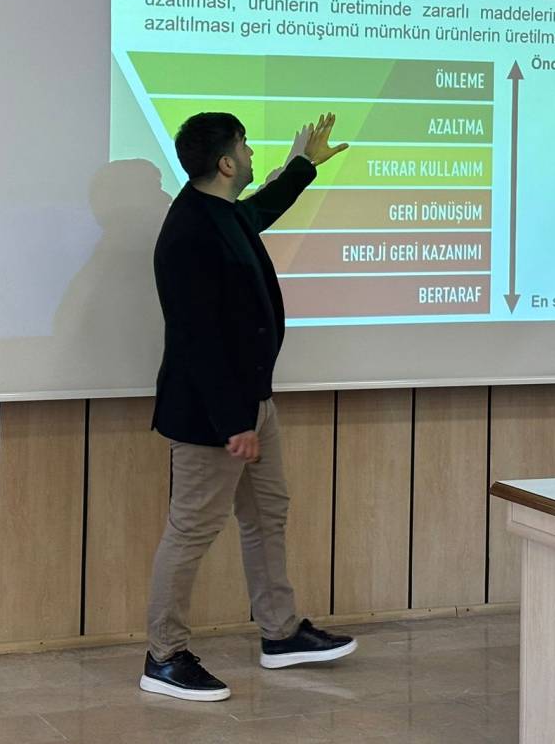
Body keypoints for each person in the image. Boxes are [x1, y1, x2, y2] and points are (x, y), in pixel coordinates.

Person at [140, 111, 355, 702]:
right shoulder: (188, 233)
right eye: (246, 146)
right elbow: (197, 340)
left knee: (267, 514)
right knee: (191, 530)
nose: (253, 152)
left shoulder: (223, 211)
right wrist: (234, 422)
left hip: (251, 404)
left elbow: (261, 210)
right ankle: (163, 656)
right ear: (226, 162)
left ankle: (280, 634)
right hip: (214, 417)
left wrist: (302, 166)